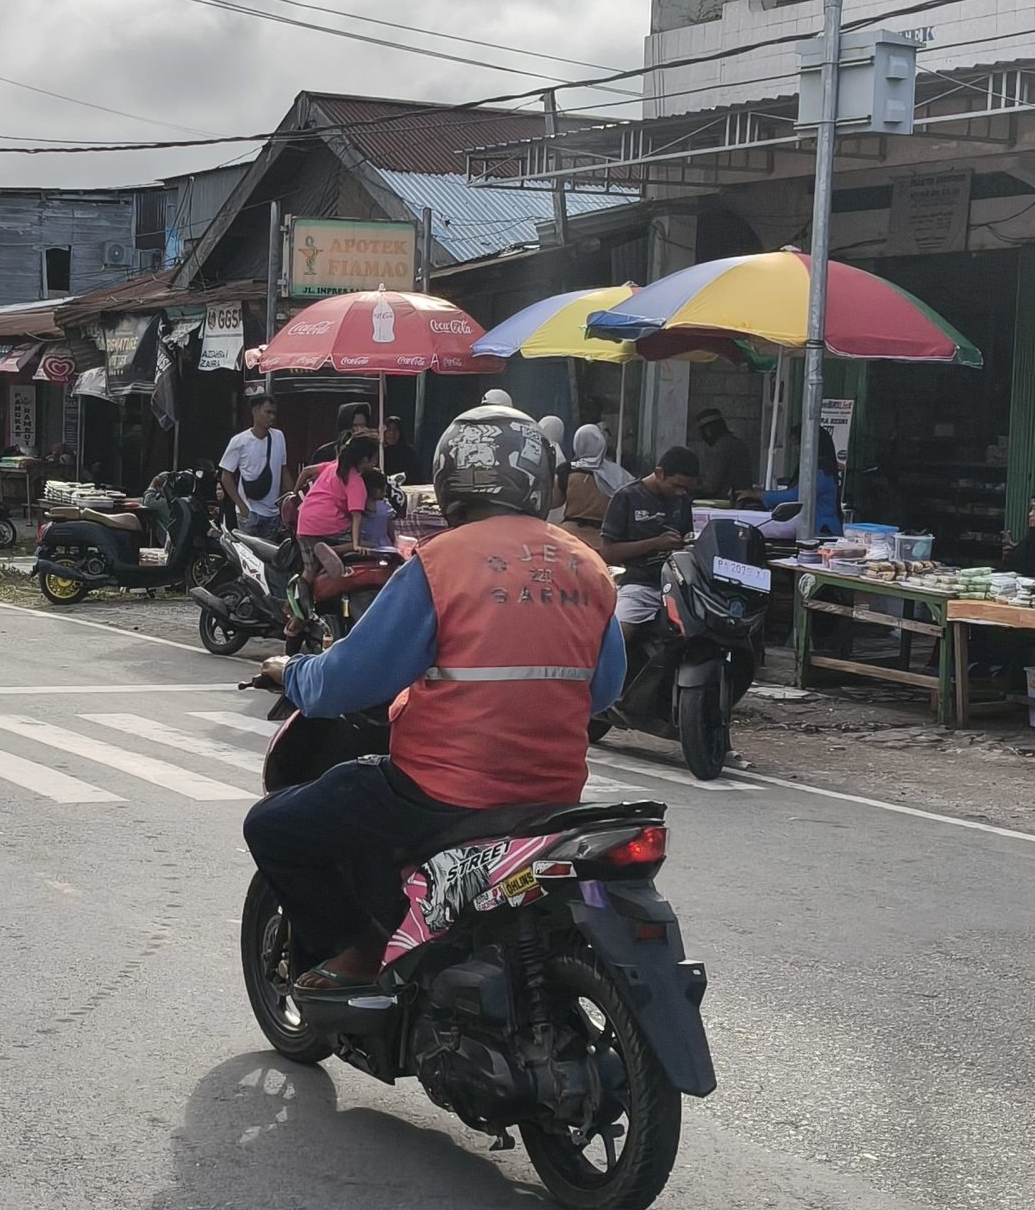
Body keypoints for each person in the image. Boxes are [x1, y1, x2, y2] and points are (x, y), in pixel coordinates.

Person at [243, 405, 626, 988]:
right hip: (553, 796)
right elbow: (604, 691)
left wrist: (290, 670)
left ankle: (359, 950)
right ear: (538, 480)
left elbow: (348, 681)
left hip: (440, 794)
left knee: (273, 827)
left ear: (449, 479)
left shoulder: (441, 563)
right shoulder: (587, 567)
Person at [602, 445, 701, 648]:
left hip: (679, 588)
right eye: (676, 486)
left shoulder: (682, 501)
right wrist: (654, 544)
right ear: (659, 473)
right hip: (638, 585)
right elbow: (609, 553)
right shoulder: (626, 497)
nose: (681, 493)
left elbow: (687, 541)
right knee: (616, 639)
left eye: (687, 489)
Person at [296, 429, 384, 588]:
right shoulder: (356, 481)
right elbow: (356, 516)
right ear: (365, 459)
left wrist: (293, 495)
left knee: (309, 571)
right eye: (375, 457)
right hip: (329, 523)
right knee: (371, 544)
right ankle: (334, 550)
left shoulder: (333, 466)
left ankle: (294, 607)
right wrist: (356, 545)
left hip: (304, 524)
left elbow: (306, 471)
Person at [217, 394, 287, 539]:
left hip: (273, 513)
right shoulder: (239, 441)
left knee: (271, 557)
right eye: (267, 412)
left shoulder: (279, 437)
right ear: (255, 411)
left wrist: (290, 500)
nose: (272, 417)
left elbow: (283, 470)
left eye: (274, 413)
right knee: (249, 557)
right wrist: (241, 505)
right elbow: (226, 475)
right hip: (249, 512)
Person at [761, 429, 844, 542]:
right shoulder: (812, 468)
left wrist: (761, 495)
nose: (794, 449)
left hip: (824, 531)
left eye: (796, 444)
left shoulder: (821, 473)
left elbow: (797, 495)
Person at [560, 424, 618, 541]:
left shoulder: (567, 470)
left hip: (570, 536)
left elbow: (553, 501)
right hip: (603, 538)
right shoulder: (617, 474)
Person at [694, 408, 756, 499]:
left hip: (729, 502)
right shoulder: (737, 443)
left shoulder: (722, 448)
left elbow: (711, 487)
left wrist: (688, 486)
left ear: (708, 431)